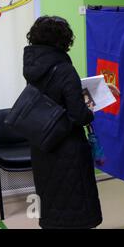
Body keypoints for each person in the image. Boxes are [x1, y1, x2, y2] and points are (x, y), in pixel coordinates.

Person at [23, 16, 102, 229]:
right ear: (63, 40)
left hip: (42, 144)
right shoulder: (65, 69)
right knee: (76, 206)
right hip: (68, 147)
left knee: (50, 200)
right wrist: (90, 111)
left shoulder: (32, 67)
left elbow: (51, 97)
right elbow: (78, 115)